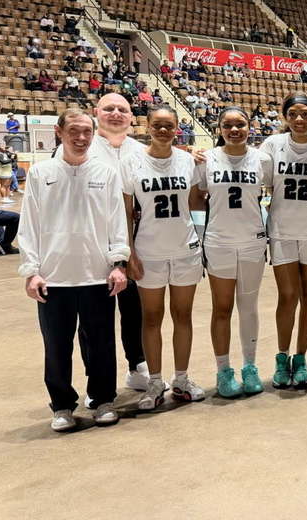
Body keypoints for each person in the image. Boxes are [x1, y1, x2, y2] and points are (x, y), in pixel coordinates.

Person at [17, 108, 130, 432]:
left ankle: (103, 399)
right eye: (74, 132)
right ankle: (63, 405)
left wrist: (118, 263)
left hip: (97, 276)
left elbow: (116, 223)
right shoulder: (41, 174)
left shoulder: (106, 174)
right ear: (59, 132)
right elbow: (29, 226)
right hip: (54, 278)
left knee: (102, 343)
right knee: (56, 346)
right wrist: (32, 270)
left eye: (86, 132)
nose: (80, 138)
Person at [53, 93, 152, 394]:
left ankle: (138, 364)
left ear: (132, 116)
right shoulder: (78, 146)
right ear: (96, 113)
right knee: (94, 317)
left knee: (136, 308)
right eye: (108, 109)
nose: (116, 114)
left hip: (134, 240)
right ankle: (95, 378)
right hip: (92, 242)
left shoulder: (142, 151)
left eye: (122, 109)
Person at [121, 105, 206, 410]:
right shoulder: (132, 163)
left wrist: (203, 239)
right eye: (157, 125)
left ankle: (181, 379)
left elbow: (197, 203)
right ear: (147, 126)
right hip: (149, 252)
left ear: (177, 129)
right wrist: (128, 252)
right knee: (152, 318)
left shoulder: (188, 161)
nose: (162, 130)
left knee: (183, 315)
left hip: (185, 249)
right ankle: (155, 382)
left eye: (169, 125)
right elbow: (127, 213)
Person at [190, 106, 273, 398]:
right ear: (219, 129)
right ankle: (224, 371)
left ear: (250, 126)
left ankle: (250, 368)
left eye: (240, 124)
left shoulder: (263, 159)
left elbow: (274, 191)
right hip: (220, 242)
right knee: (222, 309)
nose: (235, 129)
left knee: (249, 307)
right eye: (228, 125)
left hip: (252, 242)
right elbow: (196, 199)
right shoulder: (206, 159)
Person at [258, 93, 307, 389]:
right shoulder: (272, 145)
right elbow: (255, 178)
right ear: (285, 117)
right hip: (282, 230)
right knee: (287, 296)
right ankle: (281, 357)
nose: (300, 119)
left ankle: (301, 357)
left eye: (305, 114)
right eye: (293, 114)